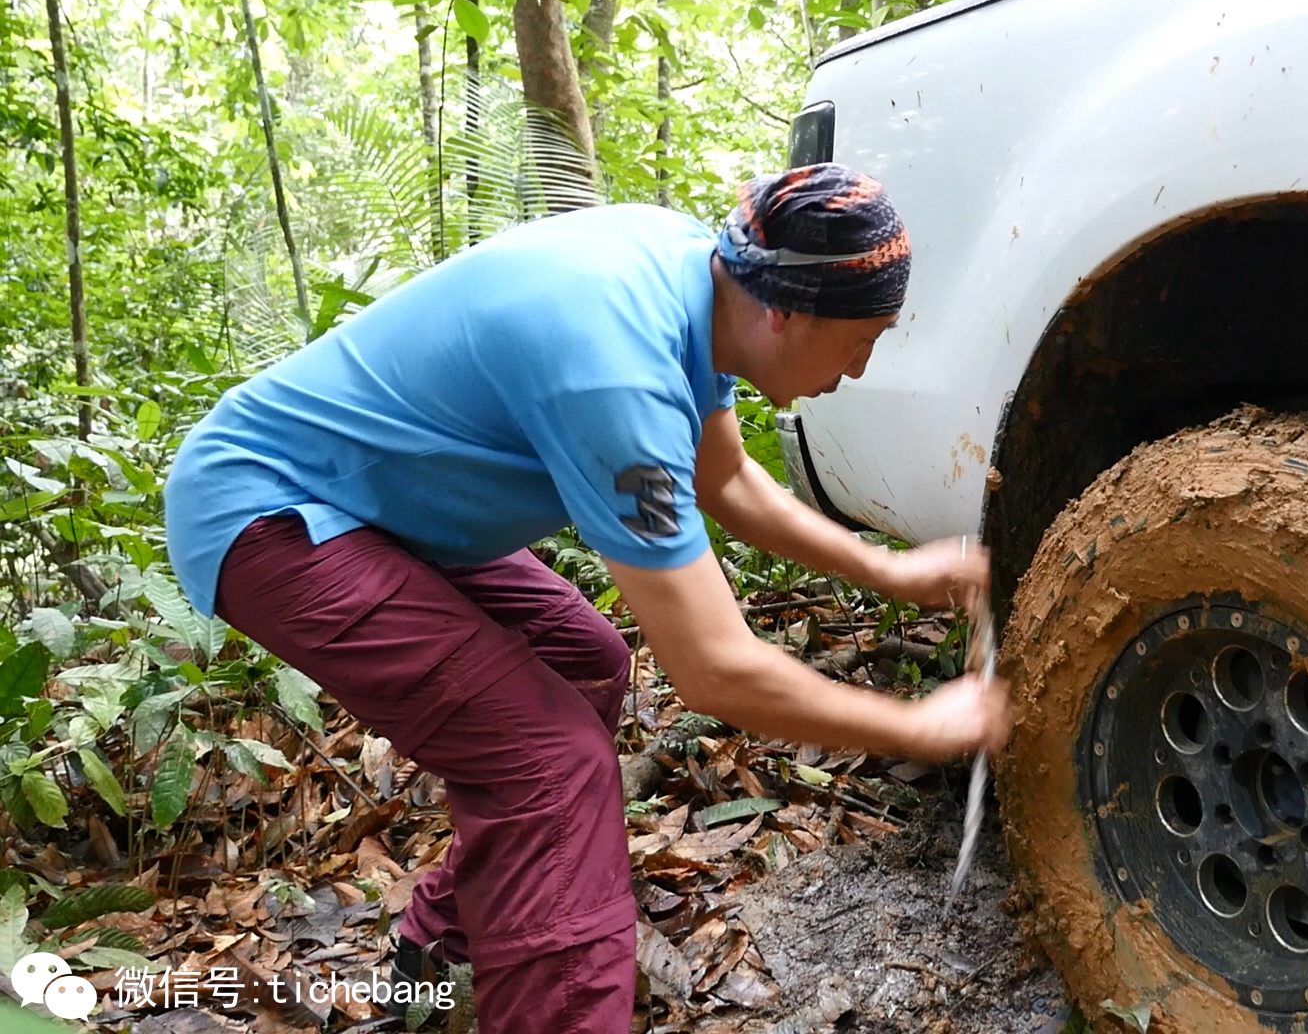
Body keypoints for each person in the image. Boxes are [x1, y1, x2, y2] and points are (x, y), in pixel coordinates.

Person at [162, 163, 1012, 1029]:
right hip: (270, 514)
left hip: (376, 506)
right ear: (784, 313)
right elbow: (714, 669)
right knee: (553, 764)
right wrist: (914, 727)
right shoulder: (617, 376)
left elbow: (725, 479)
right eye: (861, 339)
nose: (861, 368)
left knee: (583, 659)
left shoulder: (703, 284)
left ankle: (447, 949)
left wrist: (886, 570)